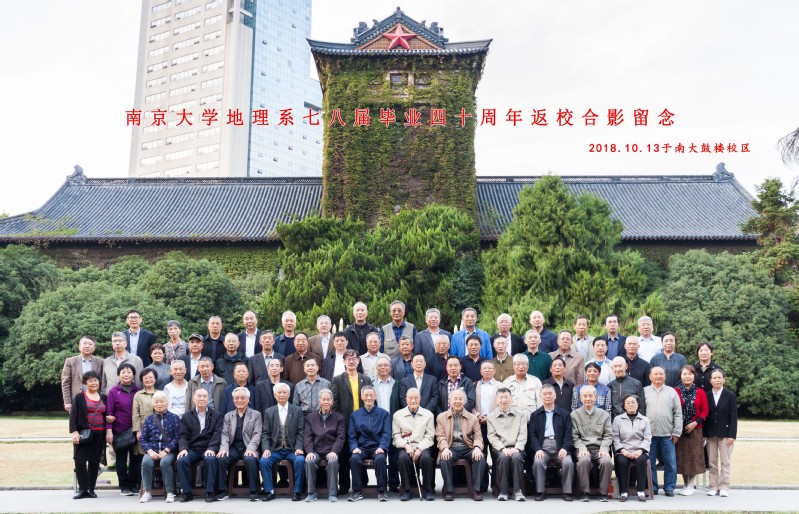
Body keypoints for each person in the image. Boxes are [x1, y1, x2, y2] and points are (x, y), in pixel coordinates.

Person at [331, 349, 373, 494]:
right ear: (344, 362)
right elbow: (335, 403)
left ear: (358, 361)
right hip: (345, 422)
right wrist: (339, 420)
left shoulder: (366, 379)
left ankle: (362, 481)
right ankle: (344, 485)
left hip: (362, 422)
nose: (351, 361)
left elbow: (370, 400)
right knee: (344, 454)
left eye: (354, 358)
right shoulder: (337, 379)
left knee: (360, 450)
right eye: (348, 359)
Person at [258, 382, 306, 501]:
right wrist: (266, 449)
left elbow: (301, 431)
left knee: (300, 460)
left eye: (285, 392)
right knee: (264, 461)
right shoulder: (269, 411)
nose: (282, 395)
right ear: (275, 395)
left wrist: (299, 447)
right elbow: (265, 433)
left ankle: (297, 491)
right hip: (275, 449)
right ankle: (269, 491)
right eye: (279, 393)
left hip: (292, 449)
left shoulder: (297, 410)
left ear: (289, 394)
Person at [436, 389, 485, 501]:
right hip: (451, 447)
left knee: (480, 458)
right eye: (455, 399)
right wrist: (444, 448)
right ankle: (449, 490)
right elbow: (440, 436)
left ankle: (476, 490)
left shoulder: (473, 418)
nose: (457, 401)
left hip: (468, 447)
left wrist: (477, 447)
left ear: (465, 401)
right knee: (445, 458)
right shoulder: (441, 417)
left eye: (460, 399)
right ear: (450, 401)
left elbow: (478, 436)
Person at [528, 383, 574, 502]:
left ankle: (567, 491)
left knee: (568, 462)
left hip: (560, 447)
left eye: (550, 394)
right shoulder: (535, 415)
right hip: (543, 448)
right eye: (545, 394)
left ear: (555, 396)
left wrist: (565, 448)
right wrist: (538, 449)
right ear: (540, 396)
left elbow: (569, 435)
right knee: (538, 462)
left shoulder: (565, 414)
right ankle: (540, 491)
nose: (547, 396)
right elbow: (532, 435)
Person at [176, 388, 224, 503]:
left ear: (208, 399)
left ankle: (209, 492)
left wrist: (212, 448)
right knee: (182, 460)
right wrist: (183, 448)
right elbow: (183, 435)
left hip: (207, 448)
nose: (202, 398)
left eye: (204, 396)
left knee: (210, 459)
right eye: (199, 396)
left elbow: (218, 434)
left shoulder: (216, 415)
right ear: (194, 398)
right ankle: (186, 493)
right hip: (192, 449)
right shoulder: (187, 416)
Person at [217, 387, 262, 501]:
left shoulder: (256, 414)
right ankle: (222, 490)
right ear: (233, 400)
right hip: (233, 447)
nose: (239, 400)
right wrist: (224, 448)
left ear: (248, 399)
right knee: (222, 458)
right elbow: (224, 433)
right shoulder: (228, 416)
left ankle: (254, 491)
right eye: (236, 398)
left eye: (243, 397)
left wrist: (251, 448)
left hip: (249, 446)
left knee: (250, 459)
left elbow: (257, 434)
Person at [643, 366, 682, 496]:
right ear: (650, 377)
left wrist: (676, 432)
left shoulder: (672, 392)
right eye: (655, 374)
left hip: (667, 434)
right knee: (650, 463)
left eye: (661, 374)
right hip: (649, 435)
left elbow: (678, 413)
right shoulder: (644, 391)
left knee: (670, 463)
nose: (658, 376)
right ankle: (652, 487)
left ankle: (669, 487)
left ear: (665, 376)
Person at [348, 385, 391, 502]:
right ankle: (357, 491)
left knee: (380, 459)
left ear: (375, 397)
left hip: (377, 446)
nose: (369, 398)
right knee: (354, 459)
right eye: (366, 395)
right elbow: (351, 435)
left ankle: (382, 491)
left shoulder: (384, 414)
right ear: (362, 397)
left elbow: (386, 433)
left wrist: (382, 447)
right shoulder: (355, 415)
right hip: (361, 447)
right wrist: (354, 447)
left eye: (371, 395)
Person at [392, 387, 436, 501]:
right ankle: (407, 490)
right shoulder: (398, 415)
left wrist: (420, 448)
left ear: (420, 399)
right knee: (402, 458)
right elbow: (396, 436)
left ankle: (428, 490)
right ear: (406, 399)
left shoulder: (428, 414)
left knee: (426, 459)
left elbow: (430, 436)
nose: (413, 401)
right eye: (410, 398)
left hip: (422, 446)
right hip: (406, 446)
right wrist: (406, 446)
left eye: (416, 398)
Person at [571, 385, 613, 502]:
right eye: (585, 396)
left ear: (596, 397)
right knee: (583, 461)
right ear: (580, 398)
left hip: (600, 448)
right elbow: (574, 436)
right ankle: (585, 492)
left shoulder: (604, 414)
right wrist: (581, 448)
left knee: (607, 462)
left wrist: (604, 448)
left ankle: (603, 493)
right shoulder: (574, 415)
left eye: (590, 396)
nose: (588, 398)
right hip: (583, 448)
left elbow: (608, 435)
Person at [106, 363, 142, 495]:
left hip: (136, 430)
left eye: (129, 372)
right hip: (119, 431)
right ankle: (124, 486)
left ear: (133, 375)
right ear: (118, 375)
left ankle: (134, 484)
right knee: (121, 460)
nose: (126, 374)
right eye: (123, 372)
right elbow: (109, 413)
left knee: (135, 459)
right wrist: (109, 431)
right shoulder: (113, 392)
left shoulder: (138, 390)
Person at [69, 371, 106, 500]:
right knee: (79, 461)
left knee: (94, 462)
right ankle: (82, 489)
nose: (93, 383)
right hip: (83, 434)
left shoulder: (104, 397)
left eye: (95, 380)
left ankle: (91, 489)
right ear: (85, 383)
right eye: (90, 380)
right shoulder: (79, 397)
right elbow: (73, 416)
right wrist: (74, 432)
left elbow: (106, 414)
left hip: (99, 435)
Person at [304, 388, 345, 502]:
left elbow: (340, 437)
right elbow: (307, 436)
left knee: (333, 462)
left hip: (331, 450)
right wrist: (310, 452)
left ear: (332, 402)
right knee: (309, 461)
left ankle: (332, 493)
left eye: (328, 399)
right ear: (319, 401)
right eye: (324, 399)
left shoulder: (339, 418)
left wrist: (334, 451)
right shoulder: (310, 417)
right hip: (316, 450)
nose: (326, 402)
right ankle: (311, 493)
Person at [486, 387, 527, 501]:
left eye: (506, 397)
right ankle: (503, 491)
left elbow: (523, 434)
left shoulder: (521, 414)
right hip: (500, 449)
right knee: (503, 458)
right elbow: (492, 436)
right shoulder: (491, 416)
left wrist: (517, 448)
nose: (503, 400)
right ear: (497, 400)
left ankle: (517, 491)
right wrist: (502, 448)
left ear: (511, 398)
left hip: (516, 448)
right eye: (501, 397)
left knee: (516, 457)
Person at [139, 391, 180, 503]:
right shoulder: (149, 419)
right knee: (146, 462)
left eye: (162, 401)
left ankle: (170, 492)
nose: (159, 404)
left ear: (167, 403)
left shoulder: (174, 418)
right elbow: (142, 439)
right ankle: (147, 492)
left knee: (165, 463)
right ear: (153, 404)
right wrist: (150, 451)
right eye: (156, 402)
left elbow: (177, 437)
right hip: (152, 450)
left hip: (168, 451)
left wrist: (166, 450)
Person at [675, 365, 709, 496]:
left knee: (694, 457)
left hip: (696, 429)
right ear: (680, 376)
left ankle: (691, 484)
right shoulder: (676, 391)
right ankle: (685, 483)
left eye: (690, 374)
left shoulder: (701, 392)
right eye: (684, 374)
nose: (687, 376)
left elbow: (705, 410)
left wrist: (695, 423)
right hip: (680, 430)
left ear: (694, 376)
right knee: (683, 457)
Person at [612, 394, 651, 502]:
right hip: (623, 450)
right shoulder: (618, 419)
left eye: (633, 402)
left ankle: (641, 491)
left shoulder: (645, 420)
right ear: (624, 406)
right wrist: (623, 451)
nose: (631, 405)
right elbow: (615, 437)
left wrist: (640, 451)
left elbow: (647, 438)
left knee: (641, 461)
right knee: (621, 461)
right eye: (628, 403)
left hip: (640, 450)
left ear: (638, 404)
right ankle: (623, 492)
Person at [704, 369, 737, 497]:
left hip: (726, 434)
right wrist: (704, 434)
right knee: (712, 462)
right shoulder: (706, 395)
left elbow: (733, 417)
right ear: (710, 380)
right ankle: (713, 486)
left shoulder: (730, 395)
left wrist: (732, 435)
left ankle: (724, 487)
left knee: (725, 462)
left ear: (724, 379)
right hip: (711, 433)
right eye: (714, 378)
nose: (717, 380)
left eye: (719, 377)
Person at [372, 356, 401, 493]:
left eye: (386, 365)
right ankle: (381, 483)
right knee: (380, 453)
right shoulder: (371, 385)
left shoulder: (397, 384)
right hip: (377, 424)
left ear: (390, 368)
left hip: (393, 421)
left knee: (394, 453)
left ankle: (394, 483)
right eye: (380, 365)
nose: (383, 368)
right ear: (376, 368)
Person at [61, 336, 104, 414]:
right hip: (77, 400)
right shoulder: (70, 361)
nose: (87, 346)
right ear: (79, 346)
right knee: (77, 421)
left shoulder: (101, 362)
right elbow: (65, 383)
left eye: (90, 344)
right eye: (84, 343)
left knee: (96, 421)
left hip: (96, 400)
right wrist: (67, 402)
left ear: (94, 347)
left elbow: (103, 382)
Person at [502, 354, 542, 420]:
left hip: (531, 422)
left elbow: (540, 404)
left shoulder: (535, 381)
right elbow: (502, 404)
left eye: (524, 364)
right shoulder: (507, 382)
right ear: (513, 366)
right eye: (518, 364)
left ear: (528, 366)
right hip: (512, 422)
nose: (521, 367)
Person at [132, 368, 159, 462]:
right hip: (144, 428)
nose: (148, 380)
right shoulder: (138, 395)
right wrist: (138, 430)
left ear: (155, 379)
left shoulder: (161, 393)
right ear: (142, 380)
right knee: (143, 454)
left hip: (160, 428)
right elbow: (135, 413)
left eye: (151, 377)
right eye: (146, 378)